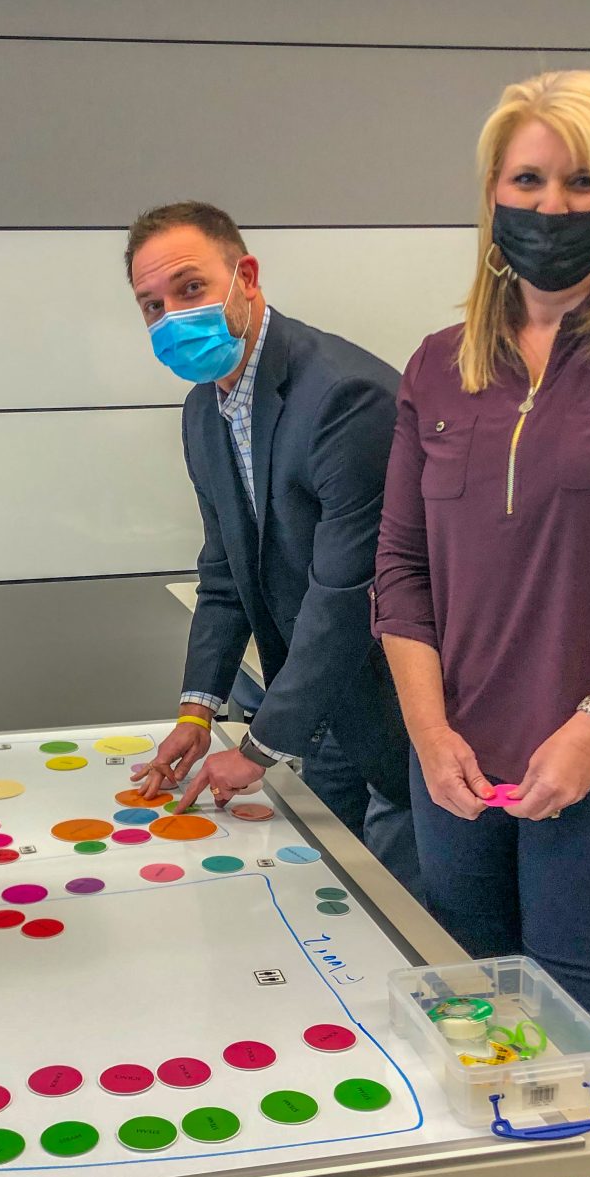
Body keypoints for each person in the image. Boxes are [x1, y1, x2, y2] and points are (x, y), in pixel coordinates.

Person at [374, 69, 590, 1177]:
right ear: (491, 200)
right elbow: (399, 574)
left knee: (587, 1096)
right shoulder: (440, 368)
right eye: (525, 183)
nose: (550, 207)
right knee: (500, 1065)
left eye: (580, 182)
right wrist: (430, 734)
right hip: (463, 783)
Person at [125, 201, 420, 898]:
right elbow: (225, 570)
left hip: (394, 700)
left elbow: (346, 592)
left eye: (190, 289)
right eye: (150, 305)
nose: (171, 317)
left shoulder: (345, 397)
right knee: (324, 892)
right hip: (316, 701)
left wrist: (258, 747)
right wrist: (199, 710)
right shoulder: (205, 408)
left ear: (245, 276)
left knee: (401, 904)